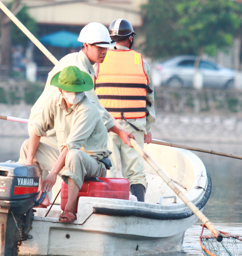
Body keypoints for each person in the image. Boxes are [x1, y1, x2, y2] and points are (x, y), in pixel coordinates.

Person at [20, 66, 135, 223]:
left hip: (93, 164)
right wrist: (29, 160)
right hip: (67, 160)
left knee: (74, 155)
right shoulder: (55, 102)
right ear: (61, 90)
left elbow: (71, 147)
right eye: (70, 90)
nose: (74, 94)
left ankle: (70, 210)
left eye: (77, 90)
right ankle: (39, 196)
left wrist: (53, 173)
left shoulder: (87, 110)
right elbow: (37, 128)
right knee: (28, 147)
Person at [95, 18, 155, 202]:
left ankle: (108, 205)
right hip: (134, 127)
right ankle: (139, 205)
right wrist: (148, 128)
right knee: (135, 171)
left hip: (107, 126)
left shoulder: (99, 61)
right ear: (130, 39)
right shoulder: (141, 61)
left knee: (108, 169)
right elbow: (149, 98)